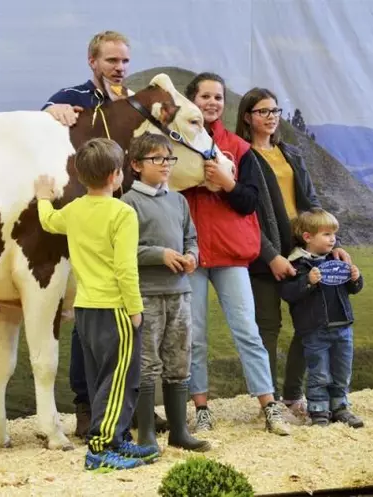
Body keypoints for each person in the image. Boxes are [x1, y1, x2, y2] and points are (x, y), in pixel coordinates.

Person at [42, 30, 151, 438]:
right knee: (89, 325)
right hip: (83, 217)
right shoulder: (70, 95)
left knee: (122, 332)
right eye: (111, 61)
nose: (119, 68)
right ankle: (86, 409)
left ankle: (129, 409)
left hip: (124, 214)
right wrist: (52, 110)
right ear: (92, 62)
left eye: (124, 61)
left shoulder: (134, 101)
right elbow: (41, 127)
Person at [35, 137, 158, 471]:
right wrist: (135, 310)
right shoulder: (123, 213)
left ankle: (117, 440)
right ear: (116, 176)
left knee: (99, 378)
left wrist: (43, 198)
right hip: (115, 309)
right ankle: (101, 449)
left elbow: (49, 222)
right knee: (119, 380)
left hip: (86, 310)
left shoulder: (74, 210)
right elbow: (125, 268)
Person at [181, 73, 290, 435]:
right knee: (193, 335)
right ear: (190, 100)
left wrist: (226, 184)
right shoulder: (174, 145)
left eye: (218, 97)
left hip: (229, 252)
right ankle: (201, 407)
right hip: (191, 252)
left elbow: (249, 201)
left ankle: (268, 404)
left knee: (247, 329)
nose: (212, 103)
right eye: (205, 96)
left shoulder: (238, 149)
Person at [235, 87, 351, 416]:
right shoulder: (242, 156)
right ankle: (268, 402)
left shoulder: (292, 154)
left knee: (309, 325)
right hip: (262, 249)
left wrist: (333, 246)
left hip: (302, 248)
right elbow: (243, 213)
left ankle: (292, 395)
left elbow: (312, 203)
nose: (271, 118)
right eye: (262, 112)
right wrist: (270, 254)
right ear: (247, 116)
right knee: (268, 326)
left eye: (275, 111)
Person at [121, 133, 210, 452]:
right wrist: (160, 255)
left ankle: (179, 432)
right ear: (135, 165)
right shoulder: (128, 204)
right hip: (146, 295)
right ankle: (145, 432)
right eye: (156, 159)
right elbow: (124, 251)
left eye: (169, 158)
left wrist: (192, 257)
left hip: (180, 294)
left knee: (179, 361)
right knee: (146, 363)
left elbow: (191, 238)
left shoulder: (178, 200)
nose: (165, 165)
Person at [279, 208, 364, 427]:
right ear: (308, 237)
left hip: (343, 327)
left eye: (333, 234)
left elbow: (353, 290)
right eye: (326, 234)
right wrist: (307, 281)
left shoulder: (337, 260)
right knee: (319, 372)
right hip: (314, 330)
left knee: (342, 371)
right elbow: (288, 294)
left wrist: (355, 278)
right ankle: (318, 411)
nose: (333, 239)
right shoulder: (297, 265)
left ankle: (340, 408)